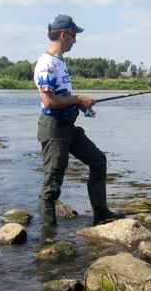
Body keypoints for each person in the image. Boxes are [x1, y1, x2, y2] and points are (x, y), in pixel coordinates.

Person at [33, 14, 124, 228]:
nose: (75, 41)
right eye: (73, 36)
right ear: (63, 34)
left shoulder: (59, 62)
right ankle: (48, 235)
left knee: (98, 161)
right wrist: (77, 99)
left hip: (68, 126)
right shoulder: (47, 64)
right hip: (54, 129)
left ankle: (101, 214)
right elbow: (48, 102)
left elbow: (60, 98)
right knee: (52, 184)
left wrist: (79, 104)